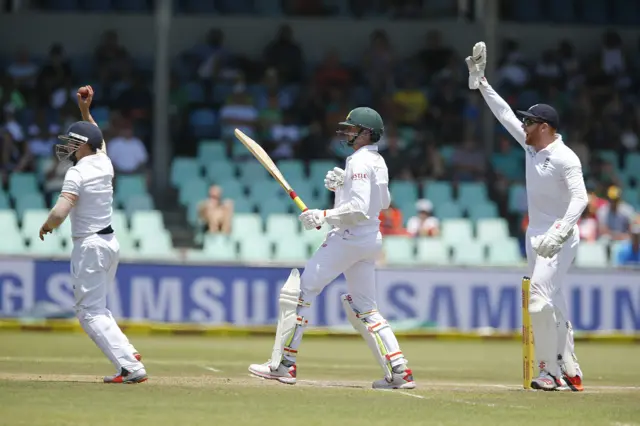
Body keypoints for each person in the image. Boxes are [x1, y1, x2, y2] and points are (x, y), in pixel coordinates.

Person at [248, 107, 415, 389]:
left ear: (367, 132)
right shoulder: (378, 160)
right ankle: (399, 371)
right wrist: (342, 188)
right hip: (368, 239)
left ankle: (283, 365)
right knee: (365, 308)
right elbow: (382, 203)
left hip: (349, 238)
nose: (348, 133)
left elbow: (361, 209)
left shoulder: (359, 161)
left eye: (353, 129)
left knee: (300, 294)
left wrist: (322, 215)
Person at [467, 42, 588, 391]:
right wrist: (482, 82)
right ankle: (570, 368)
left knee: (538, 300)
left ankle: (548, 371)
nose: (523, 125)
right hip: (534, 236)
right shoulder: (530, 146)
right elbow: (504, 113)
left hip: (559, 238)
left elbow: (581, 198)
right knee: (554, 303)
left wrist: (560, 232)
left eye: (529, 121)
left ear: (545, 126)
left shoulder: (566, 157)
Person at [38, 85, 147, 384]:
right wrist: (85, 111)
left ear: (82, 145)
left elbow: (60, 212)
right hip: (109, 244)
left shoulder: (77, 172)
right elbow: (96, 137)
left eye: (73, 141)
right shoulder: (104, 162)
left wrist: (47, 225)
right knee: (98, 308)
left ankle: (130, 368)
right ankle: (128, 353)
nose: (69, 146)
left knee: (89, 313)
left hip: (89, 246)